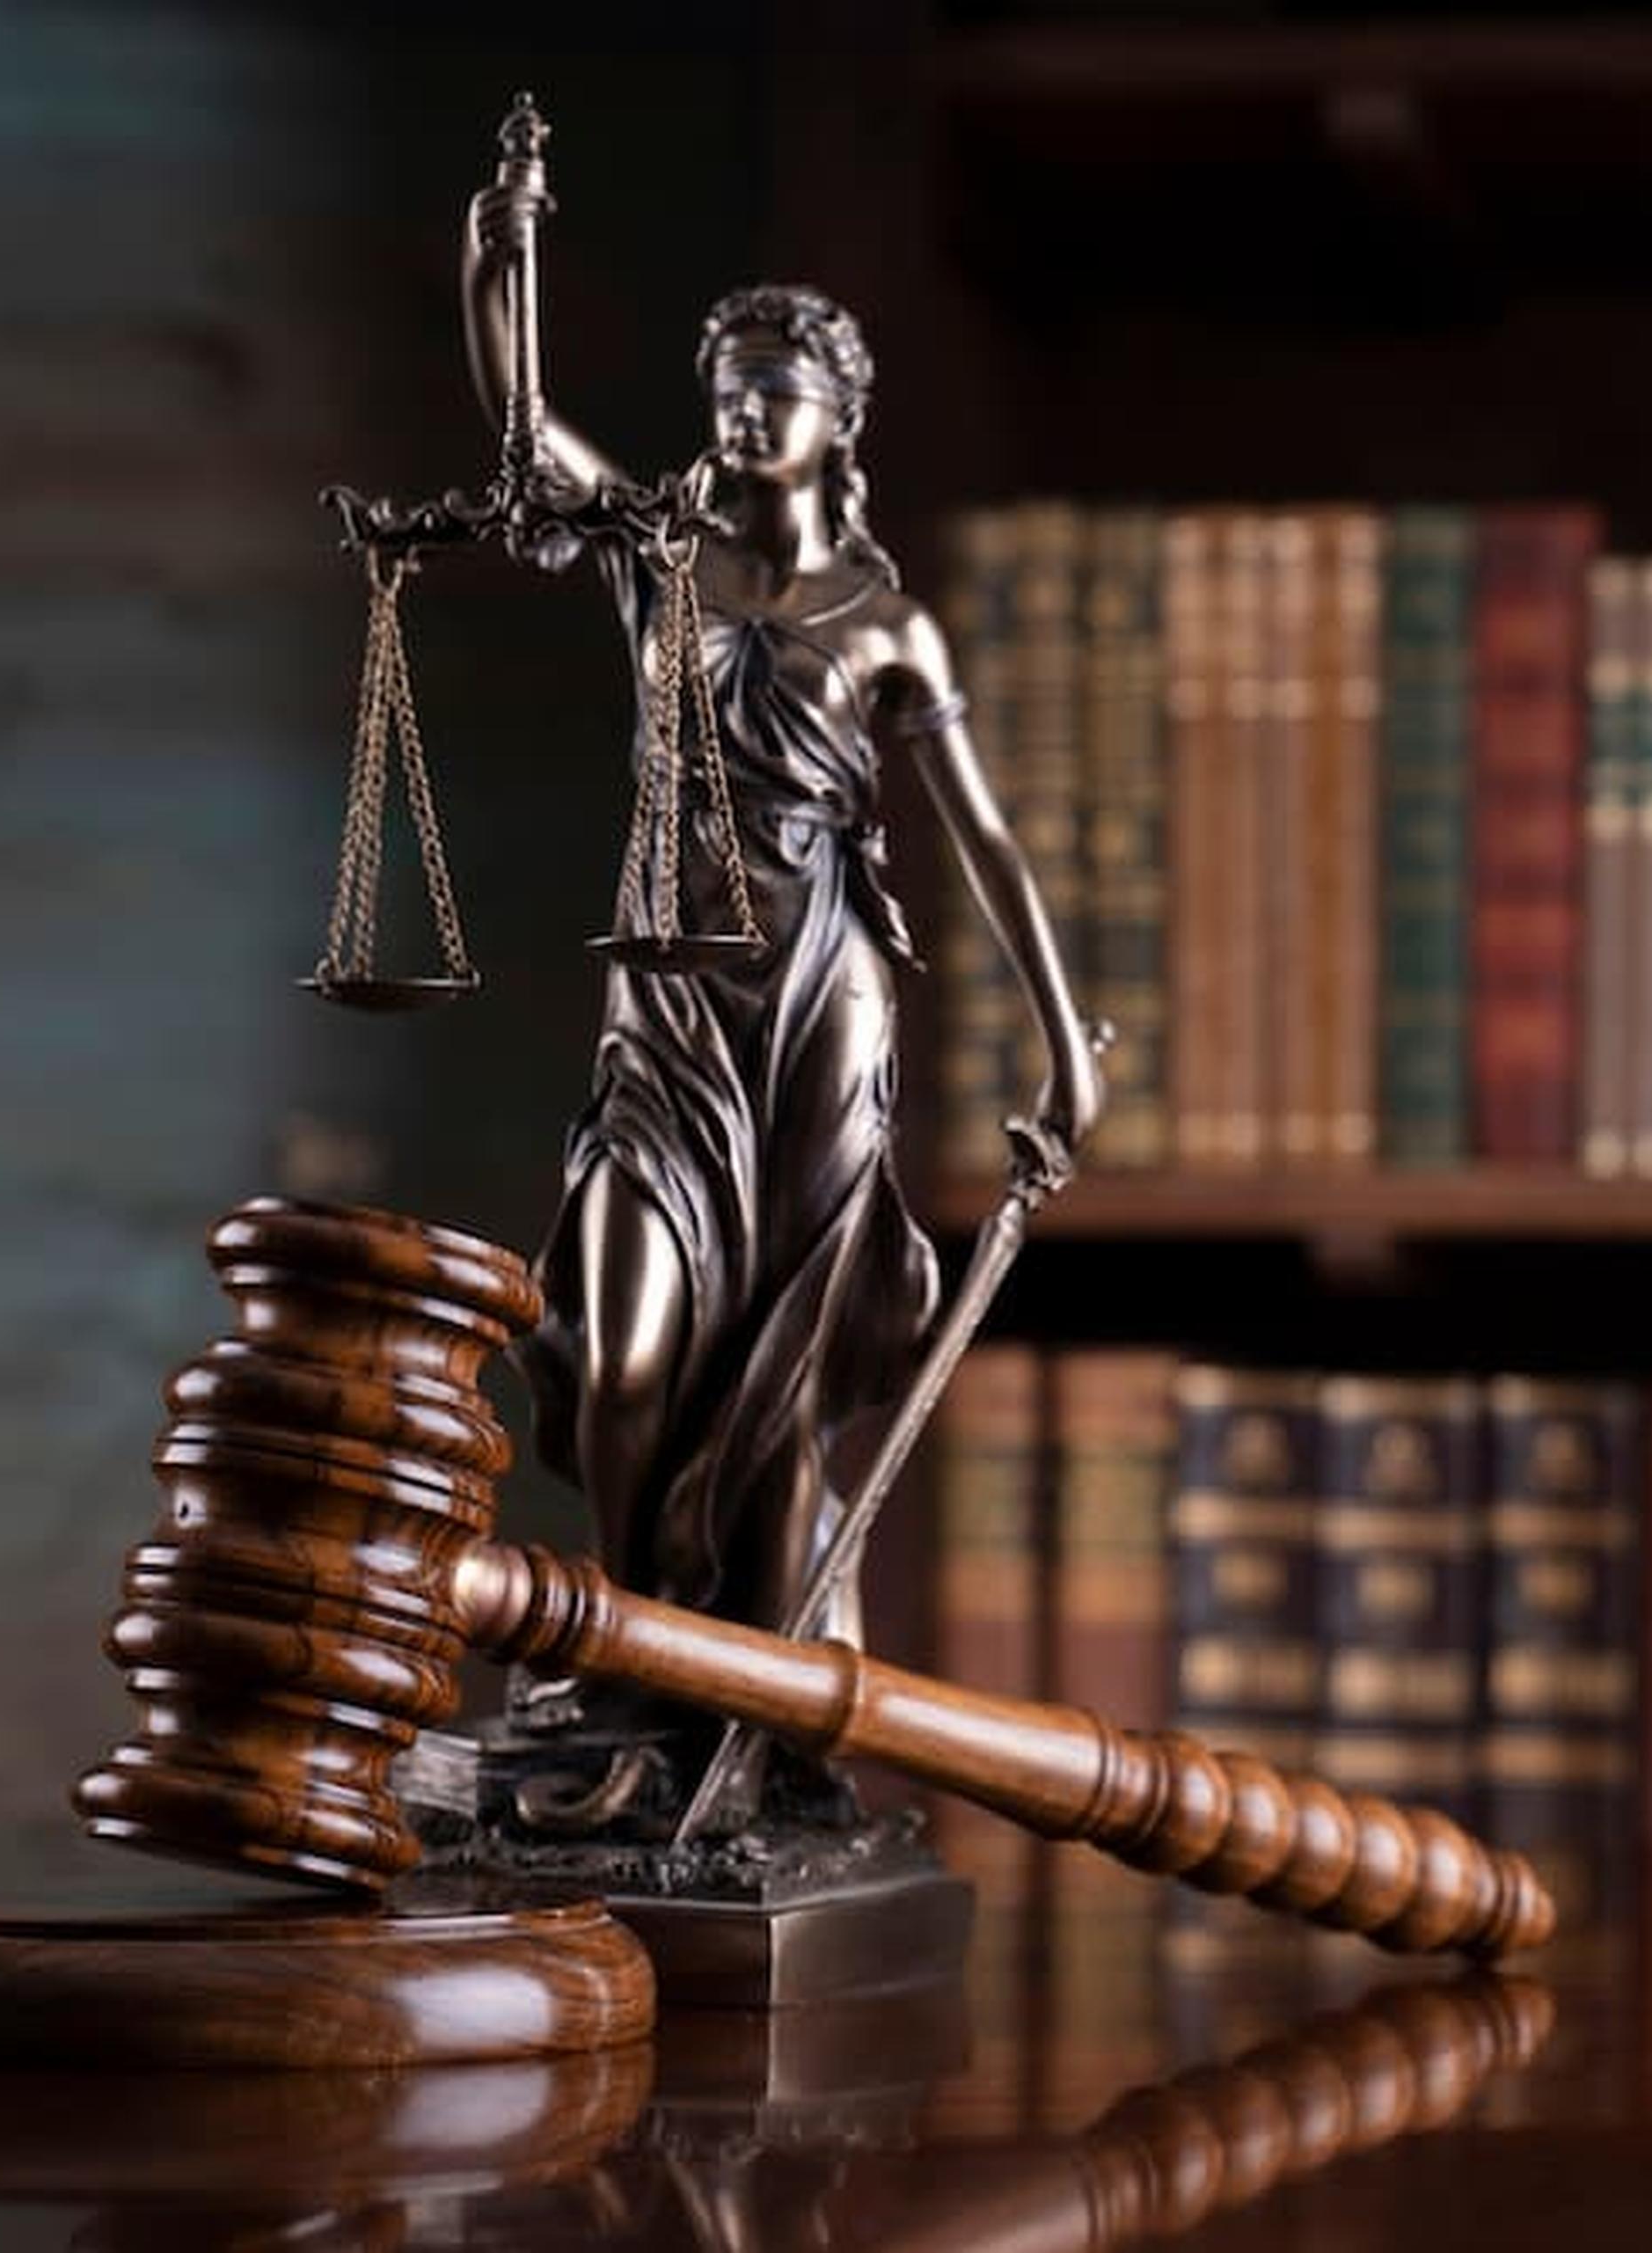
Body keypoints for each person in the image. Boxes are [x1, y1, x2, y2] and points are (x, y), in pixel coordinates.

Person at [462, 179, 1100, 1836]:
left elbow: (989, 839)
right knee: (621, 1357)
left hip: (822, 1003)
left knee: (784, 1374)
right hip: (667, 1009)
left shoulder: (889, 624)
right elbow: (528, 430)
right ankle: (626, 1652)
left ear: (840, 416)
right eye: (729, 385)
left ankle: (748, 1687)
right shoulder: (660, 558)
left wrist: (1064, 1047)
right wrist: (504, 244)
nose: (746, 410)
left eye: (778, 385)